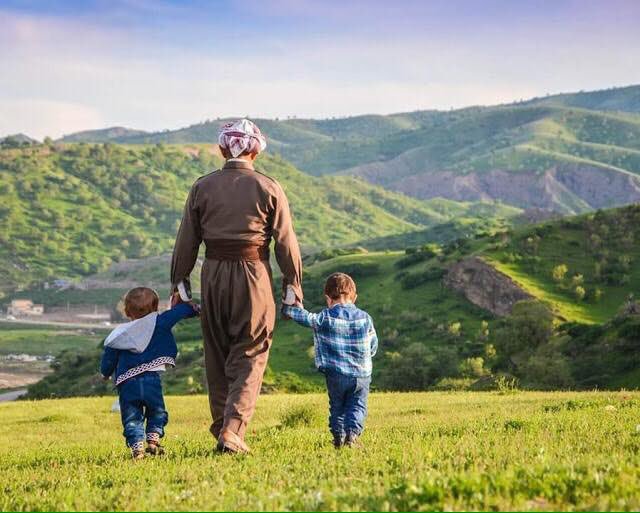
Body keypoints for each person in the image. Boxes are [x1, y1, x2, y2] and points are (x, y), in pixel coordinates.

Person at [170, 119, 303, 454]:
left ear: (221, 149)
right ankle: (232, 430)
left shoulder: (202, 187)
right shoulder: (269, 187)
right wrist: (293, 285)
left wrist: (180, 284)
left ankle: (222, 428)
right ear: (256, 152)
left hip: (212, 274)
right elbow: (285, 243)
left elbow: (187, 241)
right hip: (254, 275)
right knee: (252, 352)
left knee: (217, 354)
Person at [100, 287, 199, 460]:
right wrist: (191, 307)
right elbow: (179, 313)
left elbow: (109, 357)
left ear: (126, 311)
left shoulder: (120, 334)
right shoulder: (159, 322)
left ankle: (137, 448)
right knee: (157, 410)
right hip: (151, 380)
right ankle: (153, 440)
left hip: (126, 382)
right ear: (155, 308)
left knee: (132, 417)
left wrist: (106, 373)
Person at [282, 273, 378, 448]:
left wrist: (291, 309)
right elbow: (373, 345)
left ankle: (338, 438)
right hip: (362, 374)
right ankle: (352, 436)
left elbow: (308, 318)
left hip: (336, 374)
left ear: (328, 298)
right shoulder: (365, 318)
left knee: (337, 406)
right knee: (358, 406)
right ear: (355, 297)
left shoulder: (325, 317)